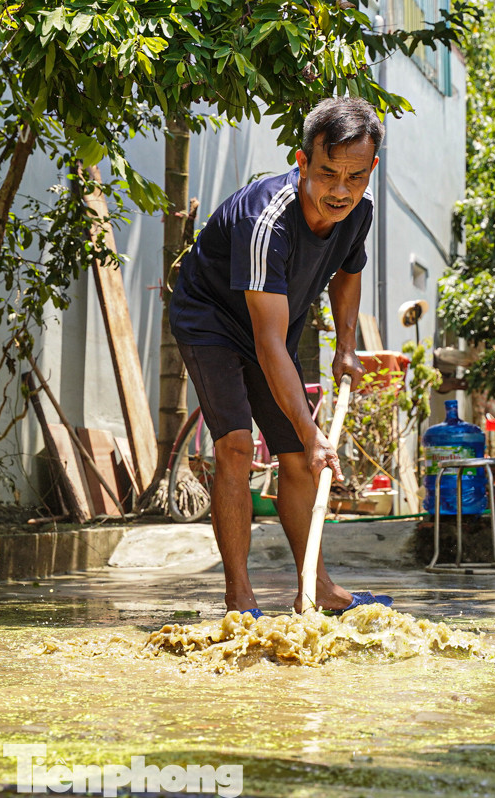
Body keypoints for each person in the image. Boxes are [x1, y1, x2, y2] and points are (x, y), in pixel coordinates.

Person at [169, 97, 393, 617]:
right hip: (213, 321)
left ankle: (314, 588)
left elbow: (349, 271)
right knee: (236, 446)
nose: (341, 190)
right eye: (327, 174)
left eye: (355, 176)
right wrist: (314, 432)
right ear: (301, 161)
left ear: (371, 169)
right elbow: (267, 346)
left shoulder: (358, 210)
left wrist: (345, 346)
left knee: (298, 458)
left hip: (275, 323)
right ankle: (239, 598)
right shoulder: (266, 220)